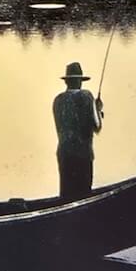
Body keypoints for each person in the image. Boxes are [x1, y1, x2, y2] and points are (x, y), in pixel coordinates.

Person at [52, 62, 104, 201]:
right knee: (83, 194)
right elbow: (97, 127)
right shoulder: (86, 96)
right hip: (83, 153)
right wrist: (98, 110)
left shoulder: (57, 100)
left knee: (66, 195)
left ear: (67, 81)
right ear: (79, 81)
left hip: (64, 153)